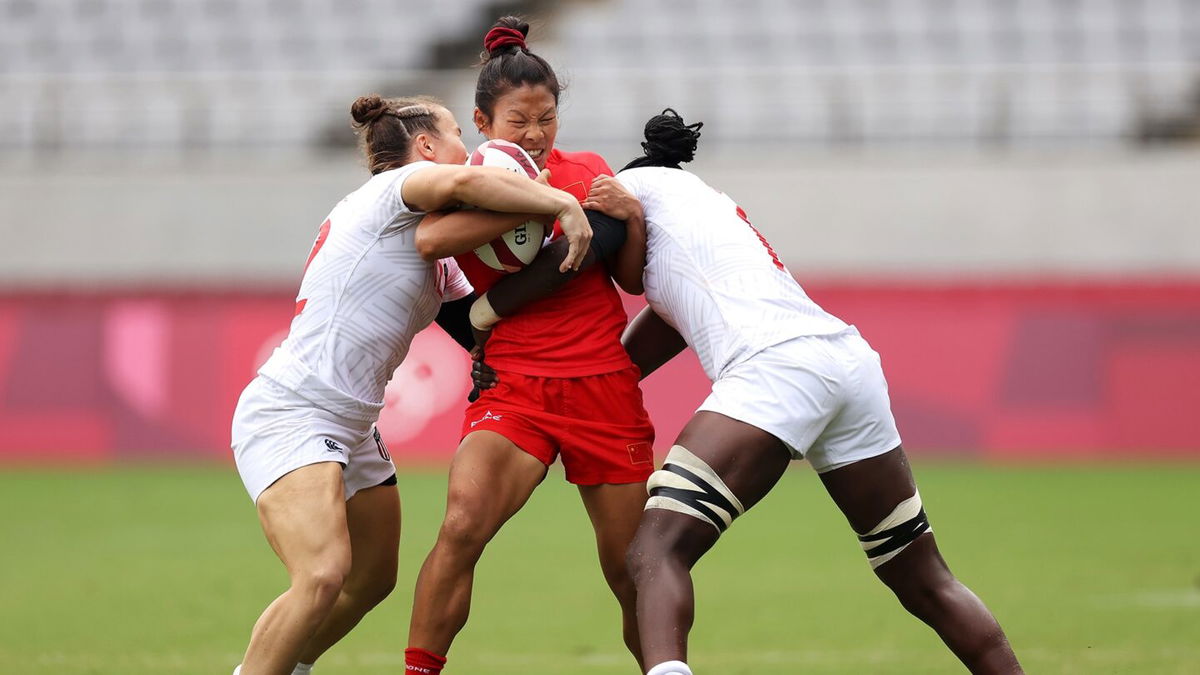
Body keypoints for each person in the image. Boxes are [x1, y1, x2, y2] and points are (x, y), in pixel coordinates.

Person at [600, 109, 1024, 675]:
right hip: (846, 362)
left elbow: (582, 251)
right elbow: (660, 320)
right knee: (921, 575)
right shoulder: (699, 207)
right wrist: (604, 380)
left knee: (655, 550)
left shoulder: (627, 191)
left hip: (776, 370)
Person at [228, 93, 592, 675]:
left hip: (351, 422)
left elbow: (472, 321)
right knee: (321, 574)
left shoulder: (427, 244)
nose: (468, 151)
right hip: (294, 409)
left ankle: (289, 667)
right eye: (455, 134)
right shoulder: (390, 191)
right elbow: (467, 189)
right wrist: (559, 202)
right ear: (425, 149)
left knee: (372, 578)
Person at [403, 17, 655, 675]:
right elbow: (431, 244)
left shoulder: (590, 172)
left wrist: (626, 216)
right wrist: (533, 202)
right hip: (515, 388)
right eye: (519, 121)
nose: (537, 133)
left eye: (547, 117)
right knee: (461, 528)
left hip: (603, 383)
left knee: (632, 570)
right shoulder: (462, 189)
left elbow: (629, 278)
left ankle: (663, 668)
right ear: (483, 122)